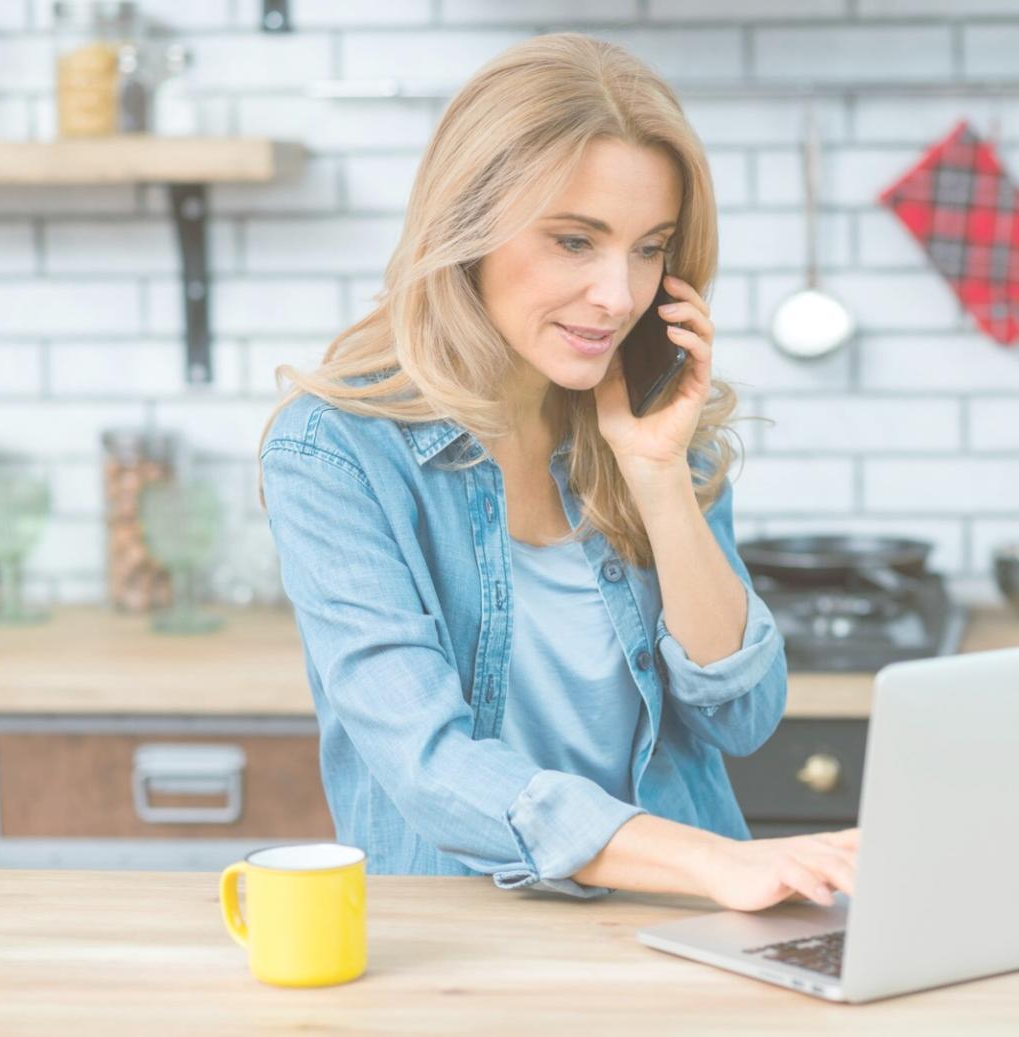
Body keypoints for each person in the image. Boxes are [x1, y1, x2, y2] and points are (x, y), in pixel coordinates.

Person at [257, 33, 856, 910]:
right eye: (576, 241)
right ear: (470, 228)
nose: (620, 295)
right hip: (467, 935)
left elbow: (743, 715)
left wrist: (657, 477)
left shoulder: (651, 419)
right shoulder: (335, 451)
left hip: (684, 924)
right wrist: (711, 862)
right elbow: (429, 764)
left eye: (649, 249)